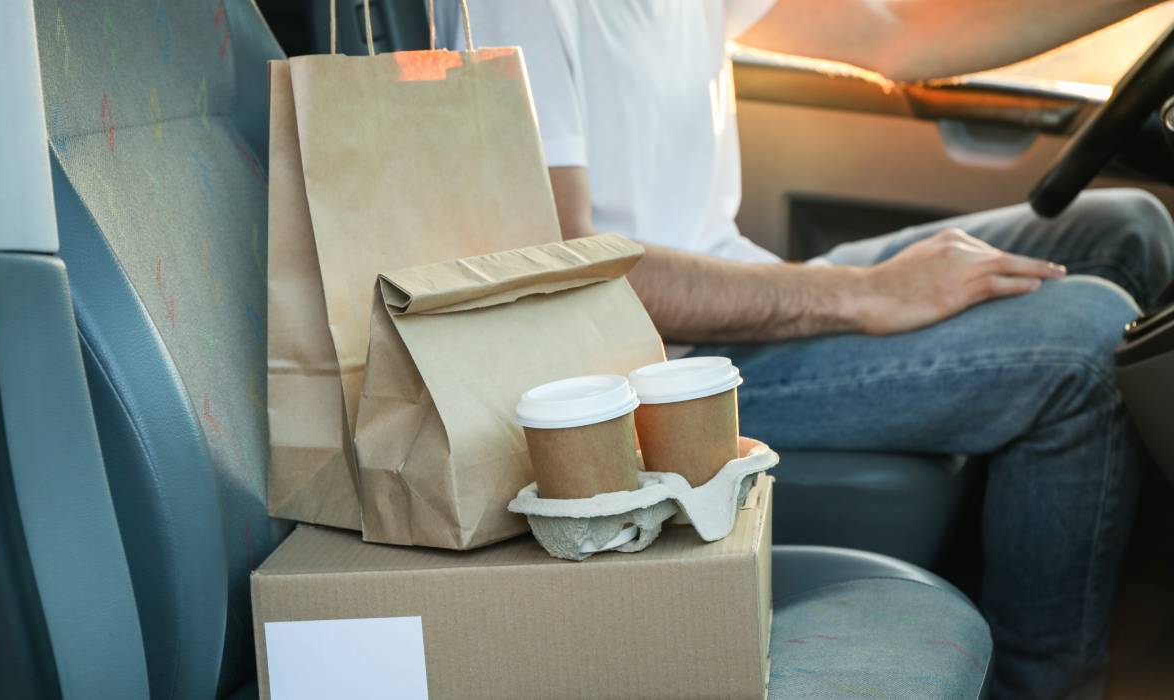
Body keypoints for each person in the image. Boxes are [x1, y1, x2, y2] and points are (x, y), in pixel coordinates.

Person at [441, 2, 1174, 698]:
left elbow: (898, 30)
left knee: (1130, 227)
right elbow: (569, 270)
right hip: (661, 378)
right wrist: (861, 295)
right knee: (1086, 345)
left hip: (735, 301)